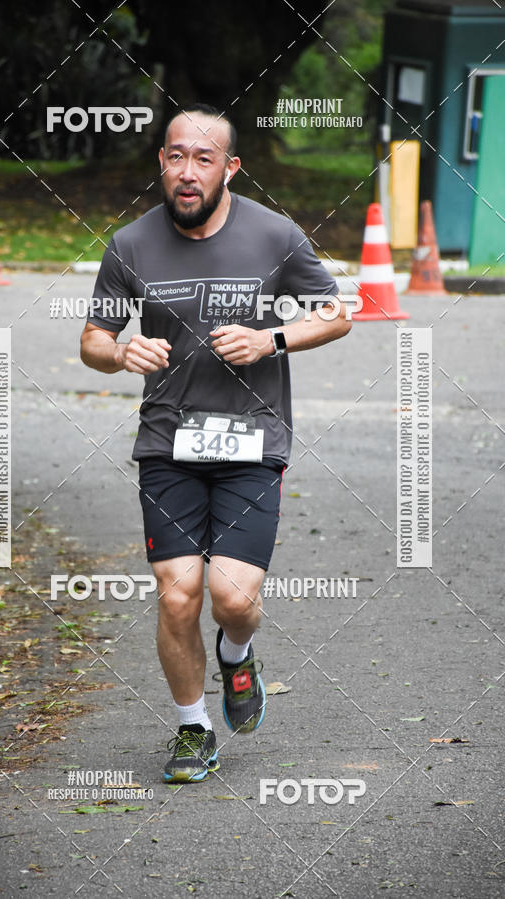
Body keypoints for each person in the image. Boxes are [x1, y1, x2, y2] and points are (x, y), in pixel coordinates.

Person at [80, 102, 351, 783]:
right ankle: (193, 727)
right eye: (176, 156)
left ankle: (237, 650)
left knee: (231, 597)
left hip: (252, 440)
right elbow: (91, 339)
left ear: (231, 167)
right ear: (161, 163)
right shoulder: (130, 244)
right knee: (178, 595)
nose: (188, 171)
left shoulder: (274, 234)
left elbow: (337, 312)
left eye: (204, 158)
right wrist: (120, 352)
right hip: (167, 441)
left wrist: (272, 338)